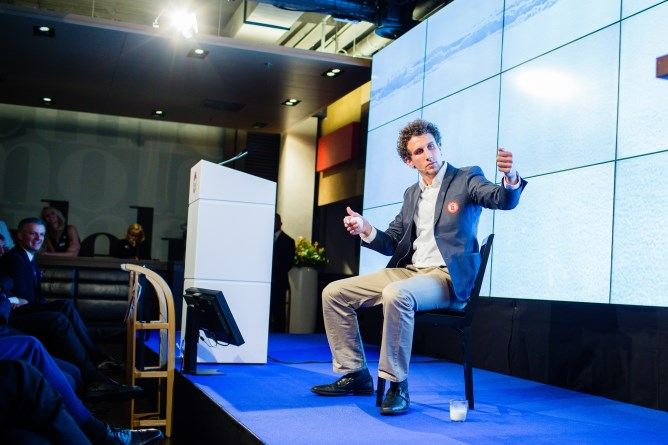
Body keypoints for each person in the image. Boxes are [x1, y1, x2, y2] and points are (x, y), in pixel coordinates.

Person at [311, 119, 527, 415]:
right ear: (408, 161)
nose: (429, 155)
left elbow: (502, 200)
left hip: (446, 277)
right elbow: (391, 242)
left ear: (439, 147)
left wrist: (510, 178)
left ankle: (396, 384)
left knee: (396, 294)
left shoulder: (466, 178)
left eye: (431, 146)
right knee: (334, 292)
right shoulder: (411, 194)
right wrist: (365, 228)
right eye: (419, 151)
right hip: (410, 272)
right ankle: (355, 373)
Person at [2, 217, 140, 400]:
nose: (38, 238)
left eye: (41, 235)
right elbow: (12, 290)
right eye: (33, 234)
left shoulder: (29, 257)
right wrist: (12, 298)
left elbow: (32, 294)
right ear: (20, 236)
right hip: (14, 314)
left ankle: (98, 359)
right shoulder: (14, 258)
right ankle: (95, 373)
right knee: (58, 319)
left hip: (28, 307)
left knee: (65, 306)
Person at [270, 214, 295, 332]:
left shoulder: (288, 241)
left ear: (280, 223)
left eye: (275, 221)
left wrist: (275, 274)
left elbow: (288, 263)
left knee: (279, 312)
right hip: (266, 283)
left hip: (279, 282)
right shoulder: (265, 238)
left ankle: (280, 334)